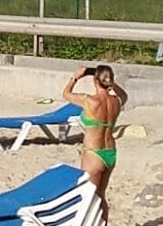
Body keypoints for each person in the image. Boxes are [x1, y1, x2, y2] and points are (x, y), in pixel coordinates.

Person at [62, 64, 127, 212]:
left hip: (93, 153)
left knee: (88, 197)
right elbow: (124, 95)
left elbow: (66, 93)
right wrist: (110, 82)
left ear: (95, 81)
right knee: (101, 196)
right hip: (110, 152)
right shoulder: (116, 101)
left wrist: (75, 77)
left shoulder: (89, 100)